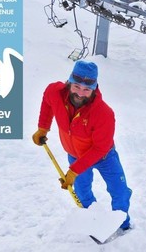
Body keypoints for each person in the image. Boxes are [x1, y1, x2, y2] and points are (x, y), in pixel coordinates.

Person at [32, 60, 132, 231]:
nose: (80, 93)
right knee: (82, 191)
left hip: (104, 157)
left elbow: (100, 148)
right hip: (75, 155)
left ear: (94, 89)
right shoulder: (54, 92)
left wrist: (74, 170)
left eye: (87, 89)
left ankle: (122, 225)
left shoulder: (104, 113)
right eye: (77, 87)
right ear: (70, 82)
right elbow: (47, 101)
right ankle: (93, 219)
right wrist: (43, 127)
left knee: (120, 191)